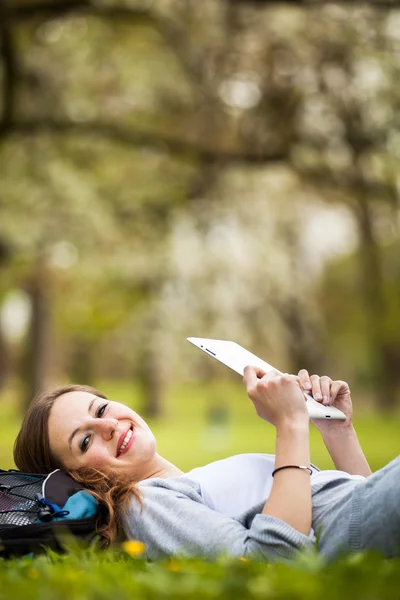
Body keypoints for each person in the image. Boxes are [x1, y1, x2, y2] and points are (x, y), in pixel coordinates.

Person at [13, 368, 400, 562]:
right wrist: (290, 425)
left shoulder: (191, 482)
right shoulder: (145, 504)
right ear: (80, 477)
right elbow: (270, 561)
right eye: (85, 440)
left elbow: (360, 505)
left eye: (100, 409)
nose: (108, 425)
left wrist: (338, 432)